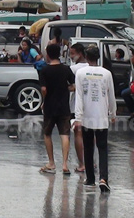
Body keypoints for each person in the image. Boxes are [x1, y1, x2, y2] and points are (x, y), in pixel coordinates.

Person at [75, 45, 116, 192]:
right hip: (101, 117)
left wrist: (78, 116)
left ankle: (90, 178)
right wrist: (113, 113)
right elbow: (111, 95)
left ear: (86, 57)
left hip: (87, 117)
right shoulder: (106, 74)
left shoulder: (80, 73)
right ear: (98, 57)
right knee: (103, 147)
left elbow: (79, 96)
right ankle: (103, 178)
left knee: (88, 147)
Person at [39, 44, 75, 175]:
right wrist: (65, 89)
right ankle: (65, 164)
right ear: (59, 54)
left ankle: (51, 162)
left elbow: (43, 89)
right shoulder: (66, 69)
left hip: (49, 106)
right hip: (64, 107)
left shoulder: (44, 70)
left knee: (47, 133)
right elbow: (73, 86)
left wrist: (44, 100)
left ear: (47, 55)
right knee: (64, 134)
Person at [69, 43, 88, 173]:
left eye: (72, 53)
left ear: (80, 53)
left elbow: (70, 87)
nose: (71, 56)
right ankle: (90, 162)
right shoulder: (94, 68)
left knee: (78, 133)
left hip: (76, 105)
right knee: (91, 134)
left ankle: (82, 164)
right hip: (92, 106)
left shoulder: (73, 69)